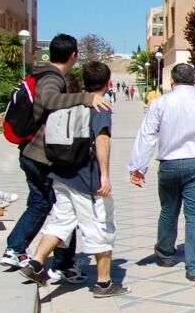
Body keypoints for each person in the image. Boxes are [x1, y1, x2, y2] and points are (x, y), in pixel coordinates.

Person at [1, 34, 110, 282]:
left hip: (32, 152)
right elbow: (50, 100)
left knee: (47, 204)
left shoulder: (42, 73)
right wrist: (86, 97)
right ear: (73, 55)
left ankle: (19, 249)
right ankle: (58, 263)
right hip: (41, 156)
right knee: (64, 207)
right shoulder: (52, 77)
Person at [19, 62, 129, 297]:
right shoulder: (100, 106)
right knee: (100, 225)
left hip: (61, 174)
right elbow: (101, 139)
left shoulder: (72, 100)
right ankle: (104, 283)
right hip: (85, 179)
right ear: (108, 82)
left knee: (62, 221)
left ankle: (36, 263)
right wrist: (105, 175)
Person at [128, 63, 195, 281]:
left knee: (168, 210)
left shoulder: (160, 103)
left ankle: (165, 254)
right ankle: (194, 267)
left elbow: (147, 135)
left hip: (169, 164)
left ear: (172, 82)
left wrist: (138, 166)